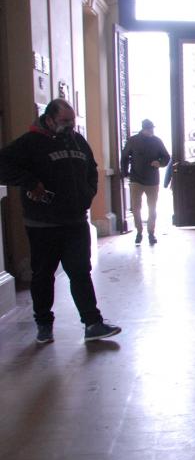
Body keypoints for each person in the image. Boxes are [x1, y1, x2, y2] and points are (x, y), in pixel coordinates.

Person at [0, 99, 122, 344]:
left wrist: (88, 193)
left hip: (75, 221)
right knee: (43, 275)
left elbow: (91, 168)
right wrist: (30, 182)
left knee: (80, 272)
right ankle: (44, 323)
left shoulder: (77, 141)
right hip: (43, 224)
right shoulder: (29, 143)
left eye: (72, 121)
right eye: (64, 121)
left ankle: (92, 323)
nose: (69, 126)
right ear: (49, 119)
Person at [121, 119, 170, 245]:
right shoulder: (133, 141)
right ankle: (139, 231)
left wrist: (159, 163)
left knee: (152, 208)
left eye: (152, 129)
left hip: (152, 180)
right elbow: (125, 157)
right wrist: (125, 173)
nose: (151, 131)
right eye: (149, 129)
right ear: (143, 129)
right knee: (136, 208)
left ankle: (151, 232)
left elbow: (166, 157)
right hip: (136, 179)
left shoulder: (157, 141)